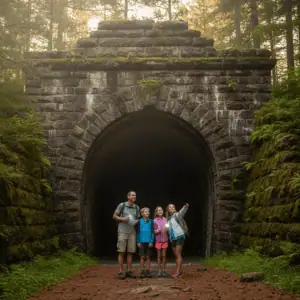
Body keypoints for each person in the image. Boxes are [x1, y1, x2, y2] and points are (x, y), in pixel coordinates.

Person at [113, 191, 140, 280]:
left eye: (135, 195)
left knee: (130, 252)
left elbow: (138, 218)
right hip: (122, 231)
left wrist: (136, 221)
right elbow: (114, 216)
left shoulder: (137, 207)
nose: (134, 196)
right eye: (132, 195)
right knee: (121, 251)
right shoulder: (122, 205)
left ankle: (129, 271)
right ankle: (121, 271)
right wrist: (122, 219)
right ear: (128, 196)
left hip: (132, 232)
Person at [166, 203, 189, 279]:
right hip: (172, 238)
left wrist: (185, 206)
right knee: (176, 255)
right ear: (168, 209)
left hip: (179, 236)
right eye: (170, 207)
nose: (172, 208)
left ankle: (177, 272)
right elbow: (169, 229)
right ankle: (179, 271)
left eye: (173, 206)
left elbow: (182, 212)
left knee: (178, 255)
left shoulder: (177, 215)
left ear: (175, 208)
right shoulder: (169, 218)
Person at [136, 207, 154, 278]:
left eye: (148, 212)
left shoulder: (151, 221)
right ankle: (142, 271)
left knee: (148, 257)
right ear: (142, 213)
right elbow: (137, 232)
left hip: (148, 242)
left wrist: (151, 241)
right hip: (141, 242)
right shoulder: (139, 221)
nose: (148, 213)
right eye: (146, 212)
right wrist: (138, 241)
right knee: (142, 257)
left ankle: (147, 270)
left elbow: (152, 232)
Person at [153, 206, 169, 277]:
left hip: (165, 240)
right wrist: (159, 230)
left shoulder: (165, 219)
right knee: (159, 256)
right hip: (158, 241)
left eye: (161, 210)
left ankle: (164, 270)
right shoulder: (154, 221)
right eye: (158, 210)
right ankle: (159, 270)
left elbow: (168, 229)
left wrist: (167, 228)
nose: (160, 211)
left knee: (164, 256)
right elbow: (154, 232)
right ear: (156, 212)